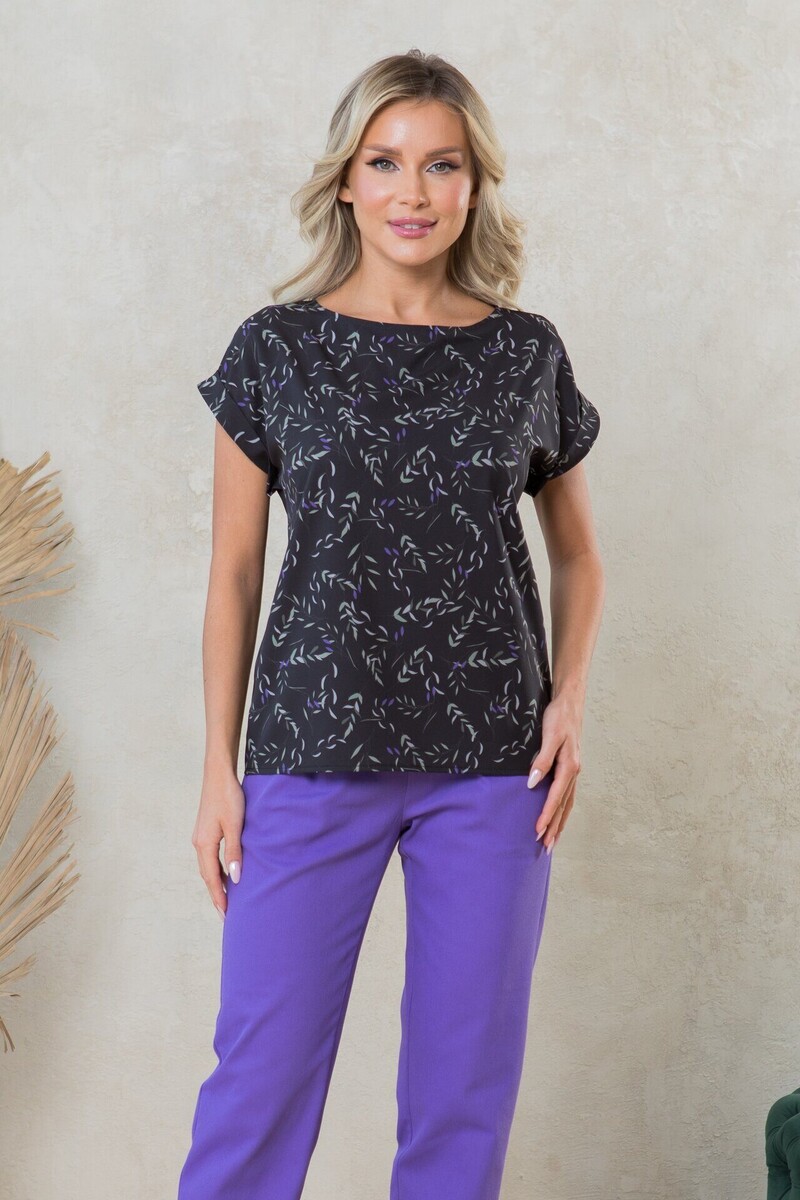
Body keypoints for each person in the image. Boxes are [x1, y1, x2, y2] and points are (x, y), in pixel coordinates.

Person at [177, 48, 605, 1200]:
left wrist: (567, 704)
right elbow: (231, 575)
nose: (411, 191)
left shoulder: (522, 352)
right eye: (384, 162)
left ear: (474, 184)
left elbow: (576, 554)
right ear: (344, 180)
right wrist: (217, 770)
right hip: (308, 752)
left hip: (493, 770)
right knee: (259, 1080)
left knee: (463, 1095)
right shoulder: (275, 350)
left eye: (441, 164)